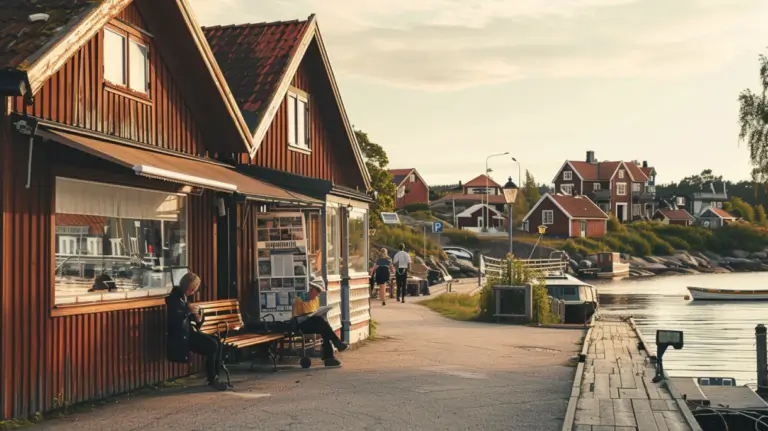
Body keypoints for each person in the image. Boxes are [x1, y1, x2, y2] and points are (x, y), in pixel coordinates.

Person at [165, 272, 227, 391]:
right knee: (212, 345)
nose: (194, 291)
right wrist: (189, 311)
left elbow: (192, 322)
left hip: (189, 333)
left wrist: (198, 318)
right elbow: (178, 318)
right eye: (194, 288)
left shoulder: (183, 298)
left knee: (216, 342)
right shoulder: (174, 298)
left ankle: (215, 376)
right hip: (183, 337)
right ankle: (212, 377)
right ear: (190, 288)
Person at [293, 280, 348, 368]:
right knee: (321, 323)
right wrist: (309, 316)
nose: (318, 294)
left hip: (313, 323)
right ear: (311, 289)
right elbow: (296, 317)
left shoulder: (316, 299)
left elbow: (315, 312)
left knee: (323, 327)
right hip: (302, 324)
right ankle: (332, 351)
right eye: (317, 291)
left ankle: (330, 356)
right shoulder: (299, 300)